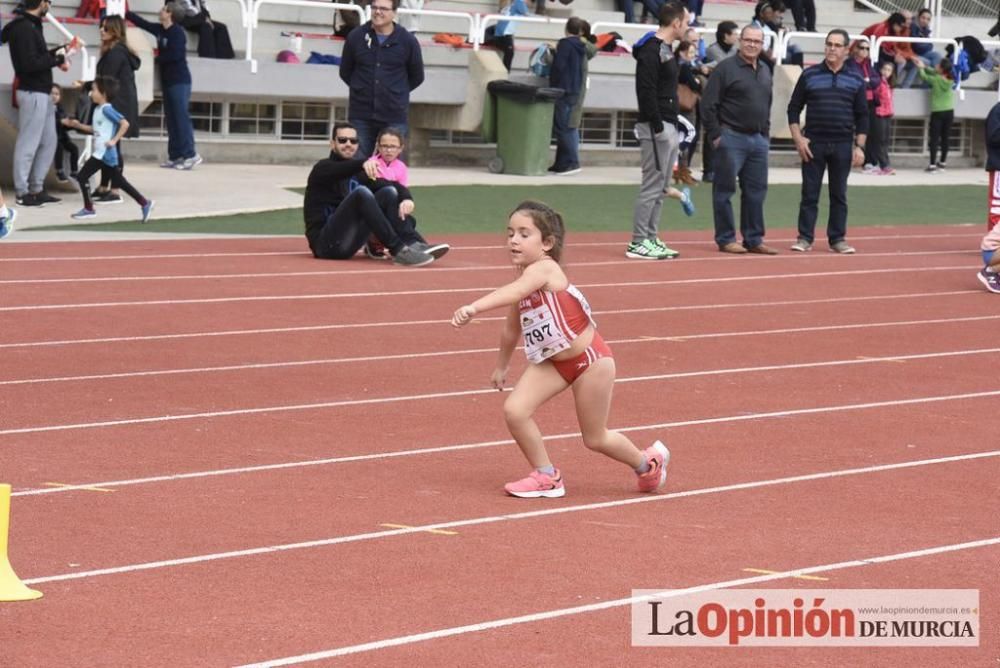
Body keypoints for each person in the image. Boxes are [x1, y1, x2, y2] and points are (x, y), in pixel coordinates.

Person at [451, 200, 671, 498]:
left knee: (595, 438)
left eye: (524, 233)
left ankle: (647, 465)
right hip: (553, 363)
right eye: (510, 233)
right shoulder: (525, 278)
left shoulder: (545, 269)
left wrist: (473, 307)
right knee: (515, 411)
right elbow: (511, 328)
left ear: (548, 243)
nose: (513, 240)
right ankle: (546, 475)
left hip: (590, 362)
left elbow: (514, 292)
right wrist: (501, 366)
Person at [303, 122, 447, 266]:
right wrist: (363, 163)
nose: (348, 144)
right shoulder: (322, 169)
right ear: (332, 143)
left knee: (388, 192)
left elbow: (391, 185)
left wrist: (407, 199)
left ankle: (414, 243)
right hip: (325, 245)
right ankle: (398, 250)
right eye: (342, 140)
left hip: (348, 244)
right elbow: (341, 169)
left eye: (353, 141)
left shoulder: (359, 172)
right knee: (361, 193)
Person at [787, 28, 868, 254]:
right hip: (814, 144)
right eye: (829, 44)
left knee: (839, 194)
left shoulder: (855, 78)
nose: (832, 49)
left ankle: (837, 239)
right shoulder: (810, 75)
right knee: (809, 193)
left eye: (837, 45)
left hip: (843, 144)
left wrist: (859, 147)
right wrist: (798, 139)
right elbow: (793, 108)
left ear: (845, 50)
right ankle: (804, 238)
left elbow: (863, 115)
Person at [701, 25, 775, 255]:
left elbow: (767, 104)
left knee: (756, 191)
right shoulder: (725, 68)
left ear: (762, 44)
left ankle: (753, 239)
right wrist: (716, 136)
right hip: (731, 137)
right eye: (748, 40)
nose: (752, 44)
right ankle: (726, 239)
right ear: (740, 41)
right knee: (724, 190)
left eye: (757, 41)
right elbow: (707, 105)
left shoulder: (765, 70)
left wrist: (765, 134)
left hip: (758, 139)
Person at [627, 1, 690, 260]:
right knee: (652, 186)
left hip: (668, 124)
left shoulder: (665, 49)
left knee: (662, 187)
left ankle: (651, 238)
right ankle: (638, 241)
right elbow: (646, 90)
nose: (688, 27)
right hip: (657, 127)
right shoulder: (651, 50)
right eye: (686, 23)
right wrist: (656, 125)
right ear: (675, 23)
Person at [2, 0, 67, 208]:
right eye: (48, 2)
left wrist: (60, 52)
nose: (49, 5)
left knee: (49, 141)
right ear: (41, 3)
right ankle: (22, 192)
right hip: (32, 92)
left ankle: (36, 188)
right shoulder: (23, 28)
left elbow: (36, 59)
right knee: (28, 143)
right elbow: (29, 64)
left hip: (42, 91)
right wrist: (57, 59)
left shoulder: (31, 25)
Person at [339, 0, 424, 158]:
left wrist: (396, 92)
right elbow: (345, 71)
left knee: (390, 167)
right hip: (361, 114)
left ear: (394, 12)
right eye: (375, 7)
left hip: (394, 115)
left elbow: (417, 76)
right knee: (357, 165)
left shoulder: (407, 41)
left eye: (383, 9)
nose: (378, 12)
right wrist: (362, 88)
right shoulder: (356, 37)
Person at [67, 76, 155, 223]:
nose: (91, 93)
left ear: (104, 94)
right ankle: (145, 203)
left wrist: (114, 140)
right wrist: (77, 125)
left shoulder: (107, 109)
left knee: (82, 176)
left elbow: (124, 124)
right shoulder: (98, 110)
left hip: (104, 154)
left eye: (94, 90)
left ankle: (89, 209)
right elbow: (95, 129)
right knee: (120, 182)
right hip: (104, 155)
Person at [126, 3, 202, 170]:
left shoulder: (177, 33)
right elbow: (143, 23)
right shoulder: (161, 29)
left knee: (181, 118)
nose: (160, 11)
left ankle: (191, 154)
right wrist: (125, 12)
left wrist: (153, 59)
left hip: (179, 81)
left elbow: (175, 55)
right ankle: (175, 156)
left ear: (169, 14)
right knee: (172, 119)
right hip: (168, 82)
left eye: (163, 9)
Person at [90, 14, 140, 203]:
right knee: (109, 146)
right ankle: (104, 186)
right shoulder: (116, 51)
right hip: (118, 104)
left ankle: (115, 190)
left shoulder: (116, 53)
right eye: (101, 27)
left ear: (115, 31)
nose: (102, 31)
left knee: (112, 147)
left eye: (106, 28)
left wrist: (88, 87)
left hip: (117, 106)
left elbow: (106, 82)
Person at [549, 17, 587, 176]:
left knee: (563, 128)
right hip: (575, 89)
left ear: (567, 29)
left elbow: (559, 66)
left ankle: (572, 162)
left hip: (563, 89)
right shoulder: (582, 45)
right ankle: (561, 163)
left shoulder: (565, 44)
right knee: (567, 126)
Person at [916, 57, 955, 173]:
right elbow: (934, 72)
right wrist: (925, 67)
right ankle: (942, 163)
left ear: (942, 69)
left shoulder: (936, 79)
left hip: (937, 112)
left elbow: (924, 77)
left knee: (934, 139)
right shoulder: (950, 78)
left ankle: (932, 165)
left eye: (938, 65)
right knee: (945, 138)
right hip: (949, 111)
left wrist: (920, 69)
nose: (936, 65)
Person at [848, 39, 880, 172]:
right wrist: (867, 81)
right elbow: (856, 80)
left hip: (870, 102)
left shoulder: (868, 65)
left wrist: (867, 81)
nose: (865, 51)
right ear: (855, 49)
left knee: (871, 131)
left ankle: (869, 162)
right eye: (862, 48)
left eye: (867, 49)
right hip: (854, 101)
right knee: (851, 131)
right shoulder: (849, 64)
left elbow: (877, 80)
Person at [483, 0, 530, 72]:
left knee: (508, 50)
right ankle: (505, 74)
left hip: (500, 32)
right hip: (504, 33)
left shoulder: (511, 5)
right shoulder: (519, 2)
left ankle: (489, 39)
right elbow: (527, 14)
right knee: (510, 52)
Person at [868, 61, 895, 176]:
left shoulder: (888, 84)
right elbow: (871, 89)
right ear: (880, 70)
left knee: (885, 141)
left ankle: (885, 164)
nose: (886, 72)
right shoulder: (878, 82)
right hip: (878, 113)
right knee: (879, 140)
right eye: (885, 69)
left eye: (889, 70)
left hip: (887, 114)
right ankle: (884, 164)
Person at [51, 84, 80, 182]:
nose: (54, 96)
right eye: (52, 93)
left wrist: (71, 124)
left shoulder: (60, 107)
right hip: (51, 136)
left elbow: (64, 123)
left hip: (62, 136)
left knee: (74, 149)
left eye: (57, 94)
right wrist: (60, 121)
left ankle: (74, 172)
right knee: (59, 147)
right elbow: (48, 122)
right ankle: (59, 171)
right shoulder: (46, 107)